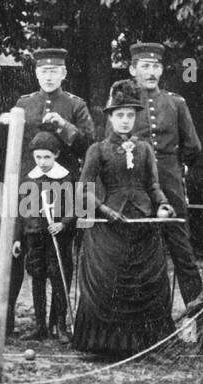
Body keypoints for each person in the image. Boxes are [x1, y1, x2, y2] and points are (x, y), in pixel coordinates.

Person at [71, 80, 176, 355]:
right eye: (120, 115)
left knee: (147, 283)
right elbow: (83, 188)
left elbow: (153, 186)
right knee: (110, 283)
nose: (126, 121)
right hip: (109, 227)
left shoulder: (145, 149)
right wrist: (105, 211)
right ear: (110, 117)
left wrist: (163, 206)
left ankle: (147, 344)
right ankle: (107, 346)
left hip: (142, 225)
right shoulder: (98, 149)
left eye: (130, 115)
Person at [3, 47, 94, 334]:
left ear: (64, 73)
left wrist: (65, 126)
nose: (49, 76)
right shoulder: (24, 103)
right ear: (36, 73)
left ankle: (59, 322)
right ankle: (34, 324)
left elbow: (89, 147)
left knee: (61, 261)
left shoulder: (75, 105)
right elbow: (14, 148)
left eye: (55, 71)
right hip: (30, 190)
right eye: (44, 71)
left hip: (63, 191)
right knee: (33, 259)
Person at [127, 41, 203, 312]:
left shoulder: (175, 102)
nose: (151, 72)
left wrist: (175, 168)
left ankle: (200, 325)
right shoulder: (124, 106)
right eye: (145, 66)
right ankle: (147, 324)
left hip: (170, 184)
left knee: (183, 252)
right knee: (139, 252)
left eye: (156, 66)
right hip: (135, 186)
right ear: (132, 69)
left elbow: (193, 146)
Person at [14, 131, 77, 341]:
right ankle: (40, 325)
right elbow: (21, 210)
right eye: (38, 157)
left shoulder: (65, 177)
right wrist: (17, 238)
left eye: (47, 157)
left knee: (59, 278)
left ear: (56, 155)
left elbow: (74, 206)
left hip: (58, 237)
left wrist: (63, 223)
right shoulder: (29, 178)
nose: (42, 162)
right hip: (35, 236)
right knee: (38, 278)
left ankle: (59, 325)